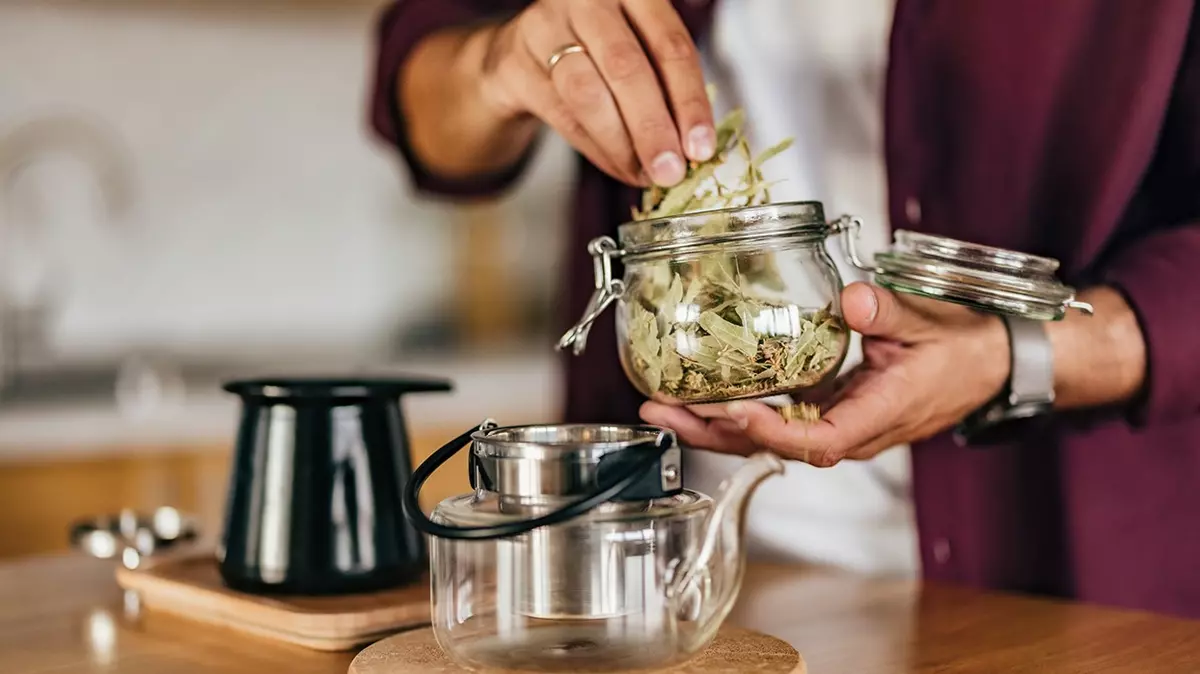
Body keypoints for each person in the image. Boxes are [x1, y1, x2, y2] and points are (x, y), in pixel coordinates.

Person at [367, 0, 1200, 619]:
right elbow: (421, 98)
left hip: (1074, 584)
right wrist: (499, 63)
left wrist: (1022, 356)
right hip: (671, 585)